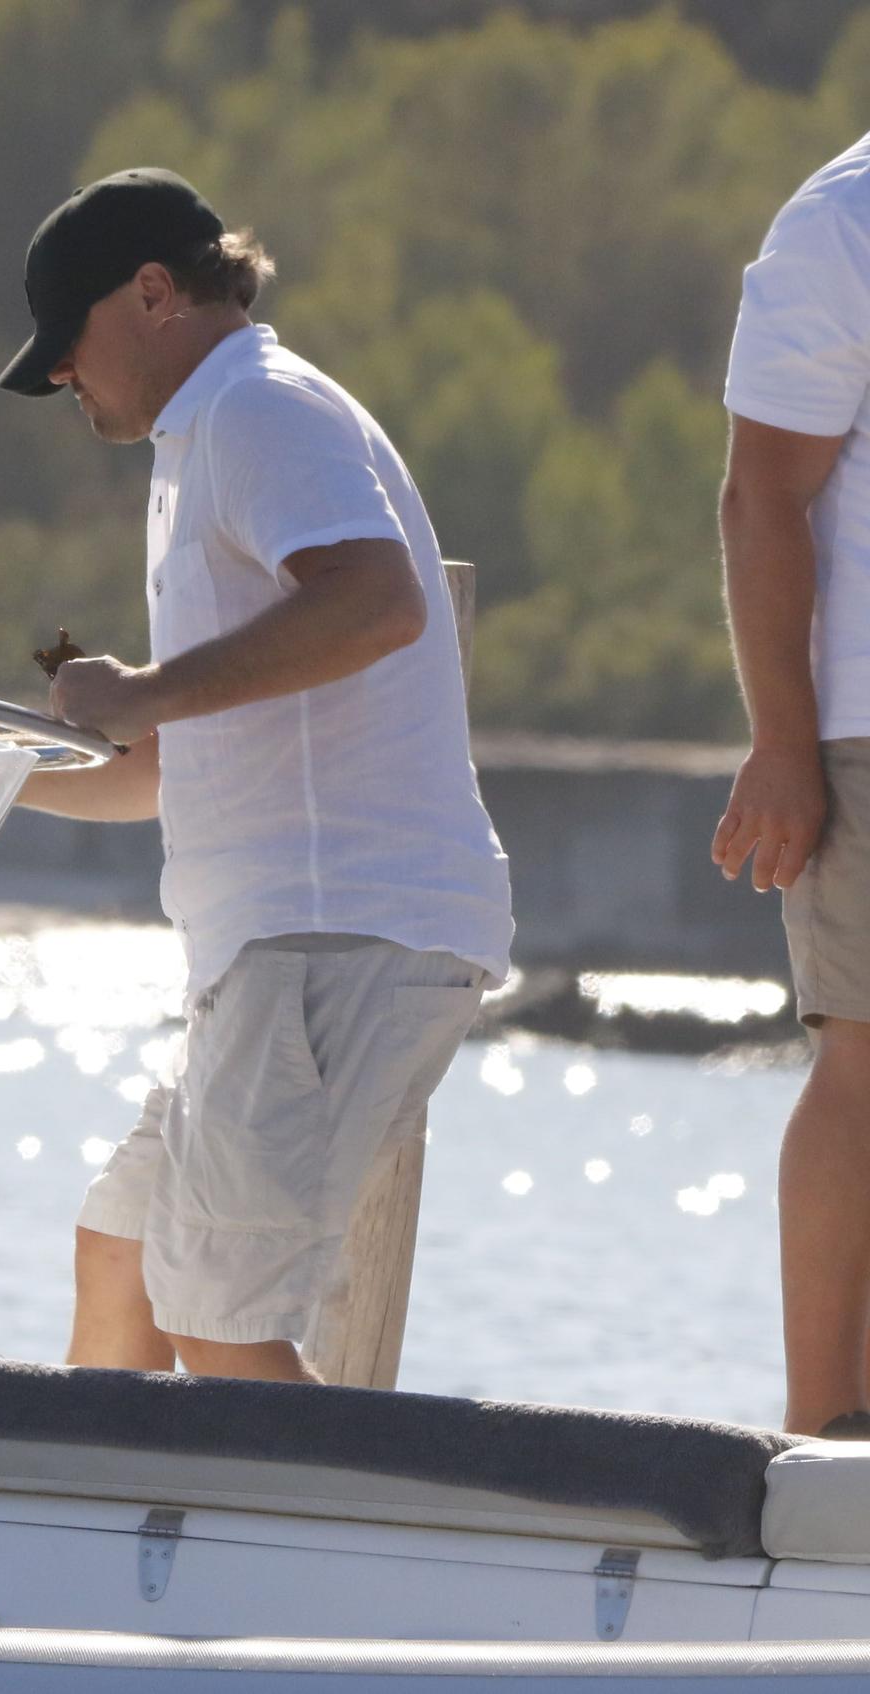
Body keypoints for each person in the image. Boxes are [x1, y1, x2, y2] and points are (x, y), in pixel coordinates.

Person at [0, 169, 513, 1385]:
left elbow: (383, 601)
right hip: (277, 955)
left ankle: (359, 1570)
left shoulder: (256, 411)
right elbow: (166, 774)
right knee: (119, 1250)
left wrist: (141, 692)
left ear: (152, 293)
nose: (60, 376)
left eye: (65, 345)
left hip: (331, 940)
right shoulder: (202, 436)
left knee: (220, 1316)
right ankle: (95, 1555)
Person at [715, 131, 870, 1437]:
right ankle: (826, 1440)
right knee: (868, 1058)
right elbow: (763, 492)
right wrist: (783, 740)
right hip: (868, 726)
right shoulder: (844, 221)